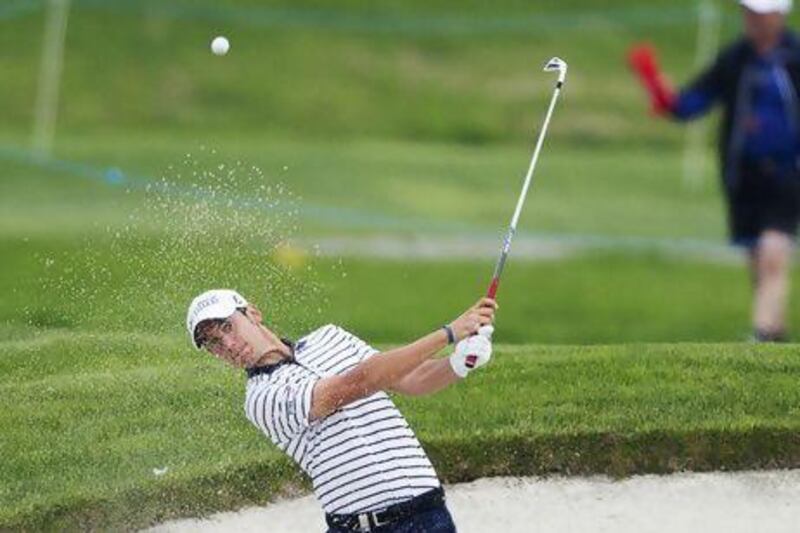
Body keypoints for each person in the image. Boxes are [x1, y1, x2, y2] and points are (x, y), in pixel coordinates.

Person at [185, 288, 497, 532]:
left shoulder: (331, 337)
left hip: (428, 514)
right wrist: (448, 333)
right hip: (364, 526)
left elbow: (412, 380)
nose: (226, 343)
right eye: (212, 342)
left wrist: (458, 363)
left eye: (227, 327)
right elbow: (356, 383)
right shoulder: (261, 398)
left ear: (252, 313)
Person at [628, 0, 799, 341]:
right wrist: (661, 92)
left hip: (787, 173)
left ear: (779, 15)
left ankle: (763, 333)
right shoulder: (735, 58)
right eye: (749, 12)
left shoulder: (794, 58)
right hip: (744, 175)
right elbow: (693, 101)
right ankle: (776, 333)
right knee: (756, 254)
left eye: (760, 14)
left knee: (773, 251)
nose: (752, 20)